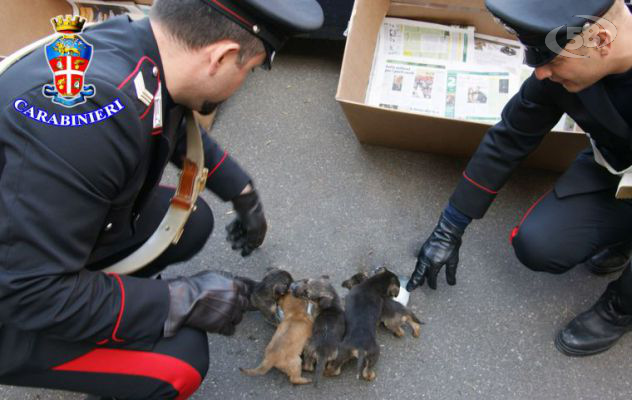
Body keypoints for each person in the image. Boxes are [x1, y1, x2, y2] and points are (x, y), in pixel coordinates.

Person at [0, 0, 323, 398]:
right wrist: (180, 299)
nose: (245, 80)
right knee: (179, 361)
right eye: (250, 69)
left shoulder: (136, 46)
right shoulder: (86, 119)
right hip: (16, 301)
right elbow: (30, 294)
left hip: (27, 242)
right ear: (220, 56)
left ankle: (104, 315)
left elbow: (164, 116)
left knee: (192, 221)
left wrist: (242, 193)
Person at [407, 0, 632, 357]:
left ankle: (620, 308)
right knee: (539, 244)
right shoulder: (574, 55)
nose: (541, 73)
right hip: (617, 167)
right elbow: (512, 134)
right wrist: (450, 226)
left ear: (602, 41)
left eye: (552, 60)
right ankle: (622, 238)